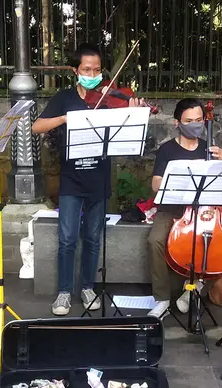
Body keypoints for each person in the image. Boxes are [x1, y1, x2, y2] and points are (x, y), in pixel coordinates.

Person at [32, 43, 145, 316]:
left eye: (96, 69)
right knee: (67, 238)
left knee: (93, 238)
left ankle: (87, 287)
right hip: (72, 179)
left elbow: (128, 133)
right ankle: (63, 292)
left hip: (99, 178)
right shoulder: (65, 97)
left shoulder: (109, 99)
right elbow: (37, 126)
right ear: (75, 70)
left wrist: (135, 112)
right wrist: (65, 118)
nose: (92, 74)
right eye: (86, 69)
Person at [146, 98, 222, 319]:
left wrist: (221, 163)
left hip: (207, 211)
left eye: (199, 120)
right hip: (174, 211)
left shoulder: (210, 149)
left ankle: (195, 285)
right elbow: (155, 184)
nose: (195, 124)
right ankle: (162, 299)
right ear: (177, 123)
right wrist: (172, 179)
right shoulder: (167, 150)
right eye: (189, 120)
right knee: (154, 241)